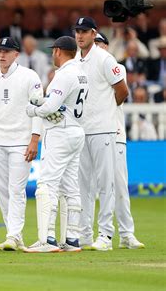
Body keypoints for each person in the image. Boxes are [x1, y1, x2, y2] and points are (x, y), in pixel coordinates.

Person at [0, 37, 43, 251]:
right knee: (3, 190)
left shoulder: (29, 76)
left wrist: (35, 139)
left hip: (21, 142)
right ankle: (13, 235)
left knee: (17, 189)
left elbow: (38, 109)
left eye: (6, 51)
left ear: (17, 54)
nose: (2, 55)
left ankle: (13, 235)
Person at [24, 36, 88, 253]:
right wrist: (47, 106)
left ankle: (47, 240)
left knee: (47, 185)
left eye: (54, 51)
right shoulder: (81, 74)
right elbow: (63, 106)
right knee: (70, 186)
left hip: (60, 133)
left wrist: (32, 109)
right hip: (76, 130)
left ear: (59, 51)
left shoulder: (64, 75)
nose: (52, 54)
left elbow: (51, 107)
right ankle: (72, 238)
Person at [74, 17, 129, 251]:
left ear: (93, 33)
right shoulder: (76, 61)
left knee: (106, 183)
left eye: (84, 31)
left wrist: (107, 111)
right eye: (77, 31)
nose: (80, 35)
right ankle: (85, 233)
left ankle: (106, 234)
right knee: (83, 185)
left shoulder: (105, 59)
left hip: (104, 129)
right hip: (81, 130)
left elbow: (123, 89)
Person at [94, 32, 145, 249]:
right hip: (91, 134)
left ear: (106, 46)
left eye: (99, 44)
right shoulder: (82, 68)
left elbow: (120, 94)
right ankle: (88, 234)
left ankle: (126, 234)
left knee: (119, 185)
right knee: (90, 188)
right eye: (93, 43)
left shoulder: (115, 66)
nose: (96, 48)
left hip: (114, 134)